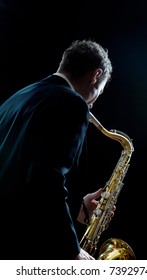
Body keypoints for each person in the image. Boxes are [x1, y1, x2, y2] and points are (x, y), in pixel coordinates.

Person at [0, 39, 113, 260]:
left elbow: (23, 180)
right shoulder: (72, 103)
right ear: (96, 75)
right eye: (100, 90)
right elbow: (47, 179)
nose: (94, 102)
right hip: (24, 246)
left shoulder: (17, 98)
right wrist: (71, 249)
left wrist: (77, 208)